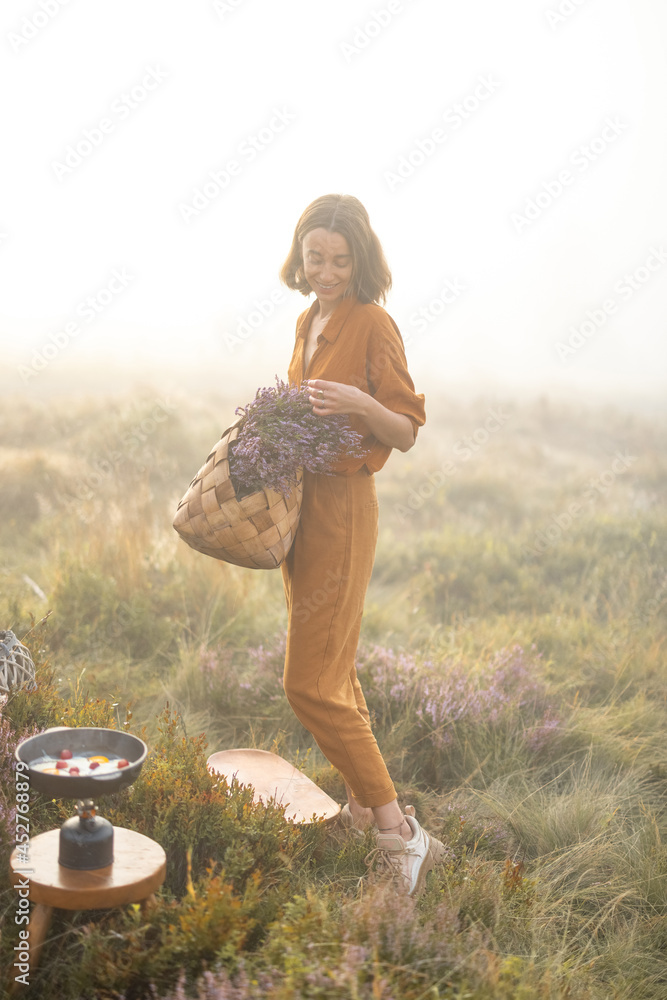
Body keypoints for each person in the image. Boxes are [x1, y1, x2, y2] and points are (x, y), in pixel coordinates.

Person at [279, 193, 445, 897]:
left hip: (344, 510)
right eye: (314, 256)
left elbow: (405, 428)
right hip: (301, 513)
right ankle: (356, 807)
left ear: (361, 260)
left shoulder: (374, 323)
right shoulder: (305, 318)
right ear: (299, 254)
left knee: (307, 682)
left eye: (339, 260)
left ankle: (397, 834)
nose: (325, 271)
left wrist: (356, 404)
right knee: (334, 672)